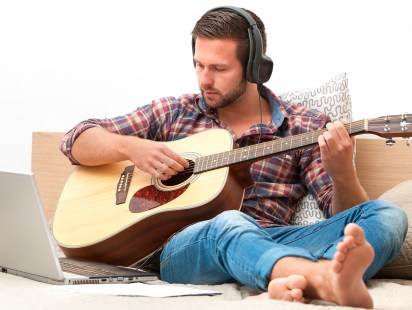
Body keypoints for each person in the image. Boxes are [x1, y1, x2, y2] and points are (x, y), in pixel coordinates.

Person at [59, 6, 407, 308]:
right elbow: (76, 140)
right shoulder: (174, 111)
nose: (204, 80)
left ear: (256, 68)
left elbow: (346, 221)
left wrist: (343, 173)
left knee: (389, 215)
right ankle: (322, 279)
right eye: (199, 65)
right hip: (188, 249)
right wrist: (131, 147)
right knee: (230, 222)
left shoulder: (305, 126)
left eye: (219, 69)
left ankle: (295, 276)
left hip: (274, 237)